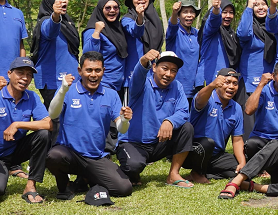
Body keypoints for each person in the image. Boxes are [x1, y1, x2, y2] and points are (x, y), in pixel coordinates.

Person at [45, 52, 133, 199]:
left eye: (98, 70)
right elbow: (53, 114)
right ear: (80, 71)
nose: (93, 74)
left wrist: (124, 120)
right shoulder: (68, 90)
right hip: (70, 153)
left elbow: (121, 128)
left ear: (103, 71)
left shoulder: (111, 95)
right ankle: (65, 185)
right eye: (89, 70)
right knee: (54, 156)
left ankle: (86, 178)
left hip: (96, 156)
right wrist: (62, 90)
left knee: (124, 188)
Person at [0, 57, 52, 204]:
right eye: (20, 73)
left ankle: (30, 186)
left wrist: (18, 124)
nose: (25, 78)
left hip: (14, 151)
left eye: (29, 75)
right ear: (9, 74)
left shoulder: (32, 97)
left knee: (44, 135)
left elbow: (49, 124)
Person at [116, 50, 194, 187]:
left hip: (159, 142)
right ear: (154, 67)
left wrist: (170, 121)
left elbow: (183, 111)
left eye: (173, 71)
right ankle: (133, 173)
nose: (168, 74)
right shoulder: (141, 84)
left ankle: (173, 174)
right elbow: (138, 75)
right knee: (133, 167)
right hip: (134, 142)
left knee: (187, 128)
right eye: (165, 68)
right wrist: (144, 60)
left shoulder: (177, 86)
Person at [184, 69, 245, 183]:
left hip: (216, 155)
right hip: (194, 151)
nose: (231, 86)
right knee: (207, 143)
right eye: (227, 82)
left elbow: (237, 140)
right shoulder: (207, 98)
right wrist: (211, 85)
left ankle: (206, 172)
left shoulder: (236, 108)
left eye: (235, 83)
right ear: (218, 83)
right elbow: (199, 99)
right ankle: (197, 172)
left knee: (237, 171)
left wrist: (242, 163)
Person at [83, 0, 144, 100]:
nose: (112, 10)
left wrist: (140, 17)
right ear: (100, 10)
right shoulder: (93, 29)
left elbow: (137, 32)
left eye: (115, 7)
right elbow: (88, 55)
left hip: (118, 85)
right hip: (102, 84)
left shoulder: (117, 28)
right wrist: (97, 32)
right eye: (108, 8)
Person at [28, 0, 79, 106]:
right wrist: (55, 17)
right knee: (55, 120)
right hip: (53, 82)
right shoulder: (45, 22)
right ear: (50, 1)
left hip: (71, 79)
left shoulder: (68, 23)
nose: (63, 0)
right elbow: (50, 31)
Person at [236, 0, 276, 127]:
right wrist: (248, 8)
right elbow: (243, 34)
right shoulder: (249, 27)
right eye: (256, 4)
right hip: (249, 82)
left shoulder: (273, 28)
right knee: (250, 125)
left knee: (267, 124)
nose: (260, 7)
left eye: (263, 4)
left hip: (270, 80)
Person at [123, 0, 165, 99]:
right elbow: (136, 31)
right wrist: (139, 17)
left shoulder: (155, 21)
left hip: (153, 77)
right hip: (133, 77)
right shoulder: (127, 19)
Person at [198, 0, 240, 90]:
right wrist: (216, 10)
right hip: (209, 80)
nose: (228, 16)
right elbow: (213, 22)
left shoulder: (232, 35)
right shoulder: (210, 31)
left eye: (231, 13)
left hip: (226, 83)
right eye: (224, 12)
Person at [166, 0, 201, 100]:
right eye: (185, 12)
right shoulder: (175, 33)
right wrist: (174, 13)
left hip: (194, 88)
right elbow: (172, 26)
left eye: (192, 12)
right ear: (179, 15)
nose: (189, 15)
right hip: (176, 87)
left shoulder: (197, 34)